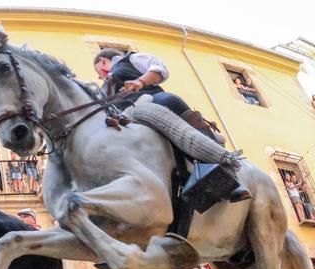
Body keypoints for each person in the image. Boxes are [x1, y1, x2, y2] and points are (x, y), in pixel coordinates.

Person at [92, 48, 250, 203]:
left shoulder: (131, 59)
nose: (100, 77)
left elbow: (159, 69)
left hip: (151, 100)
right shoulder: (103, 89)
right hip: (126, 117)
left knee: (168, 100)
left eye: (99, 72)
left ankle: (226, 170)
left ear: (103, 61)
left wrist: (140, 81)